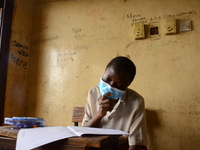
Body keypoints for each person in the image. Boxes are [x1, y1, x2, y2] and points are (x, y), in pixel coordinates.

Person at [82, 56, 148, 150]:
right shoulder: (93, 93)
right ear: (104, 72)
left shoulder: (137, 101)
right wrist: (99, 114)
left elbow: (135, 144)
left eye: (119, 85)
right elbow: (84, 132)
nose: (110, 86)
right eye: (108, 79)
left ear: (127, 85)